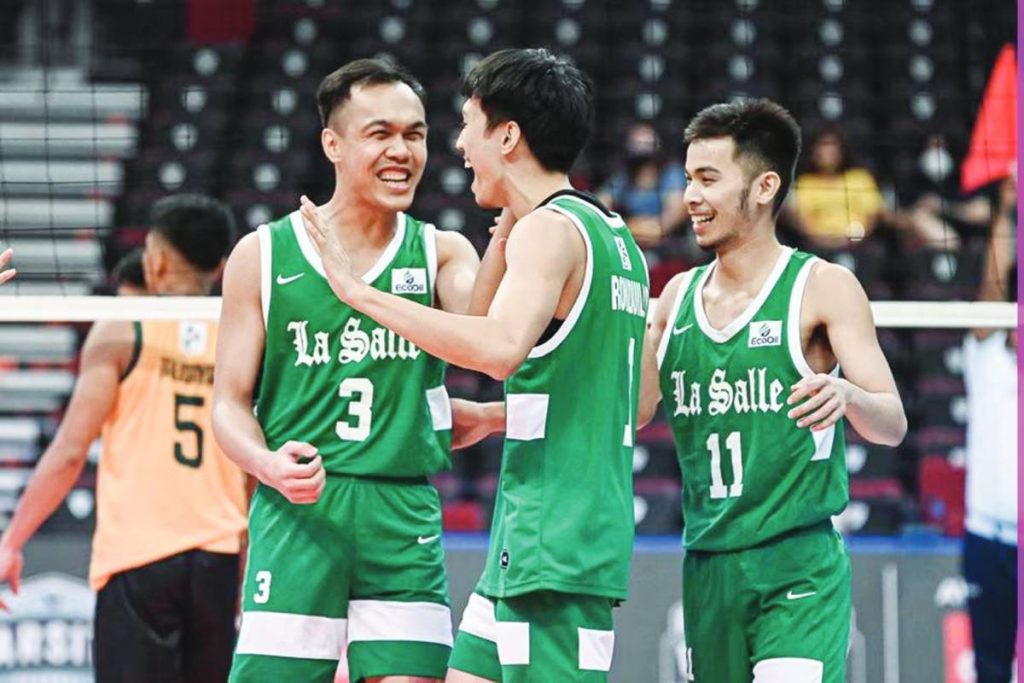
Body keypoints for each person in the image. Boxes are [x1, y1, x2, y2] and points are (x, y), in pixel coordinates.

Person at [301, 47, 649, 682]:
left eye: (467, 123)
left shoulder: (552, 229)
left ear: (507, 134)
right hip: (541, 535)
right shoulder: (611, 234)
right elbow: (635, 399)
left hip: (558, 539)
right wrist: (494, 416)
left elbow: (493, 348)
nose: (459, 144)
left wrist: (358, 293)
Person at [212, 58, 481, 683]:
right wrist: (266, 464)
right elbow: (227, 403)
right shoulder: (263, 254)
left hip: (400, 511)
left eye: (414, 134)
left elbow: (498, 341)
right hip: (299, 511)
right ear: (333, 143)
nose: (402, 150)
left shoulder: (442, 251)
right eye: (380, 133)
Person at [638, 99, 907, 683]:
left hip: (797, 562)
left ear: (764, 187)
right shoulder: (674, 299)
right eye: (688, 179)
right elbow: (631, 417)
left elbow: (892, 422)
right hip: (707, 562)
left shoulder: (824, 286)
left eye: (708, 179)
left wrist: (851, 399)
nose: (690, 196)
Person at [0, 193, 247, 683]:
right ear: (221, 266)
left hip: (139, 559)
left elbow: (70, 452)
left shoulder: (122, 330)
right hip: (220, 556)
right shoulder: (242, 337)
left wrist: (12, 539)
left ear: (153, 260)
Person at [962, 176, 1016, 683]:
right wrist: (1006, 210)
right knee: (991, 668)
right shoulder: (986, 359)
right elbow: (991, 290)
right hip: (987, 538)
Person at [788, 126, 886, 247]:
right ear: (814, 153)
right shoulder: (805, 183)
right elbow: (802, 221)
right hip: (817, 246)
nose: (828, 154)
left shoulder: (860, 178)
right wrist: (826, 242)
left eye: (832, 148)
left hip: (859, 245)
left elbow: (873, 215)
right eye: (823, 147)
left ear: (842, 151)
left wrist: (854, 239)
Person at [598, 121, 688, 249]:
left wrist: (634, 228)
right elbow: (599, 207)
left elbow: (668, 222)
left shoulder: (671, 174)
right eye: (636, 143)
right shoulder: (624, 177)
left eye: (646, 143)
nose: (641, 149)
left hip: (668, 248)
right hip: (629, 246)